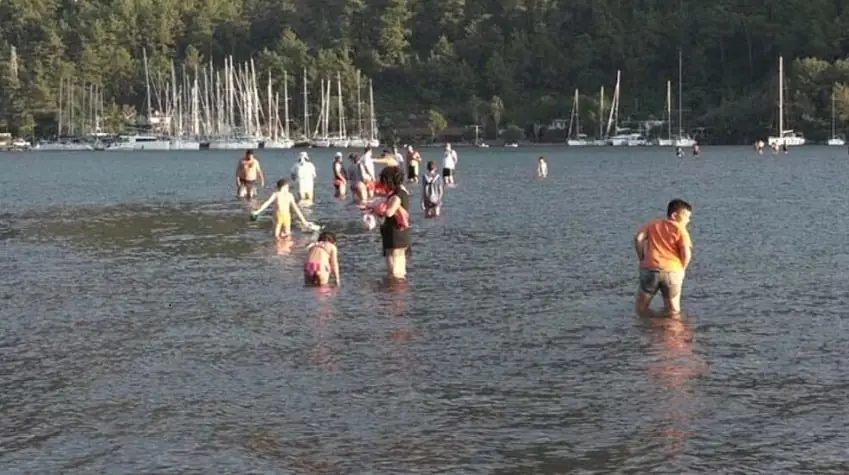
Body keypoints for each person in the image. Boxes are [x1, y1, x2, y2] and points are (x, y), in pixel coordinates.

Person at [633, 199, 693, 319]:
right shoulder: (680, 229)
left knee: (641, 306)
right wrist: (683, 269)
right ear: (675, 215)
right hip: (673, 270)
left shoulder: (652, 224)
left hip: (650, 269)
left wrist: (642, 257)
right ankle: (672, 334)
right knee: (673, 309)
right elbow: (686, 253)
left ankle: (645, 331)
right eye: (686, 217)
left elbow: (638, 239)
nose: (688, 220)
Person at [372, 169, 411, 280]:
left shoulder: (397, 195)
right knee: (400, 267)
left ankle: (393, 291)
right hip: (401, 232)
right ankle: (400, 291)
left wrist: (375, 208)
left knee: (393, 270)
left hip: (395, 233)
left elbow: (389, 212)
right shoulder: (402, 192)